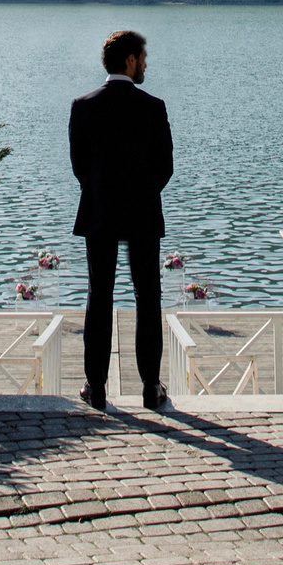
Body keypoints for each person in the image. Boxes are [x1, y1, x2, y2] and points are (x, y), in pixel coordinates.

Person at [69, 29, 174, 411]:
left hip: (98, 211)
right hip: (142, 212)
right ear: (130, 60)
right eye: (143, 58)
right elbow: (165, 167)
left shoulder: (83, 106)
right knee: (148, 297)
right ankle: (150, 387)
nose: (146, 64)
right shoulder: (153, 107)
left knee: (99, 296)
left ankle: (96, 387)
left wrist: (101, 192)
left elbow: (80, 165)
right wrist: (141, 193)